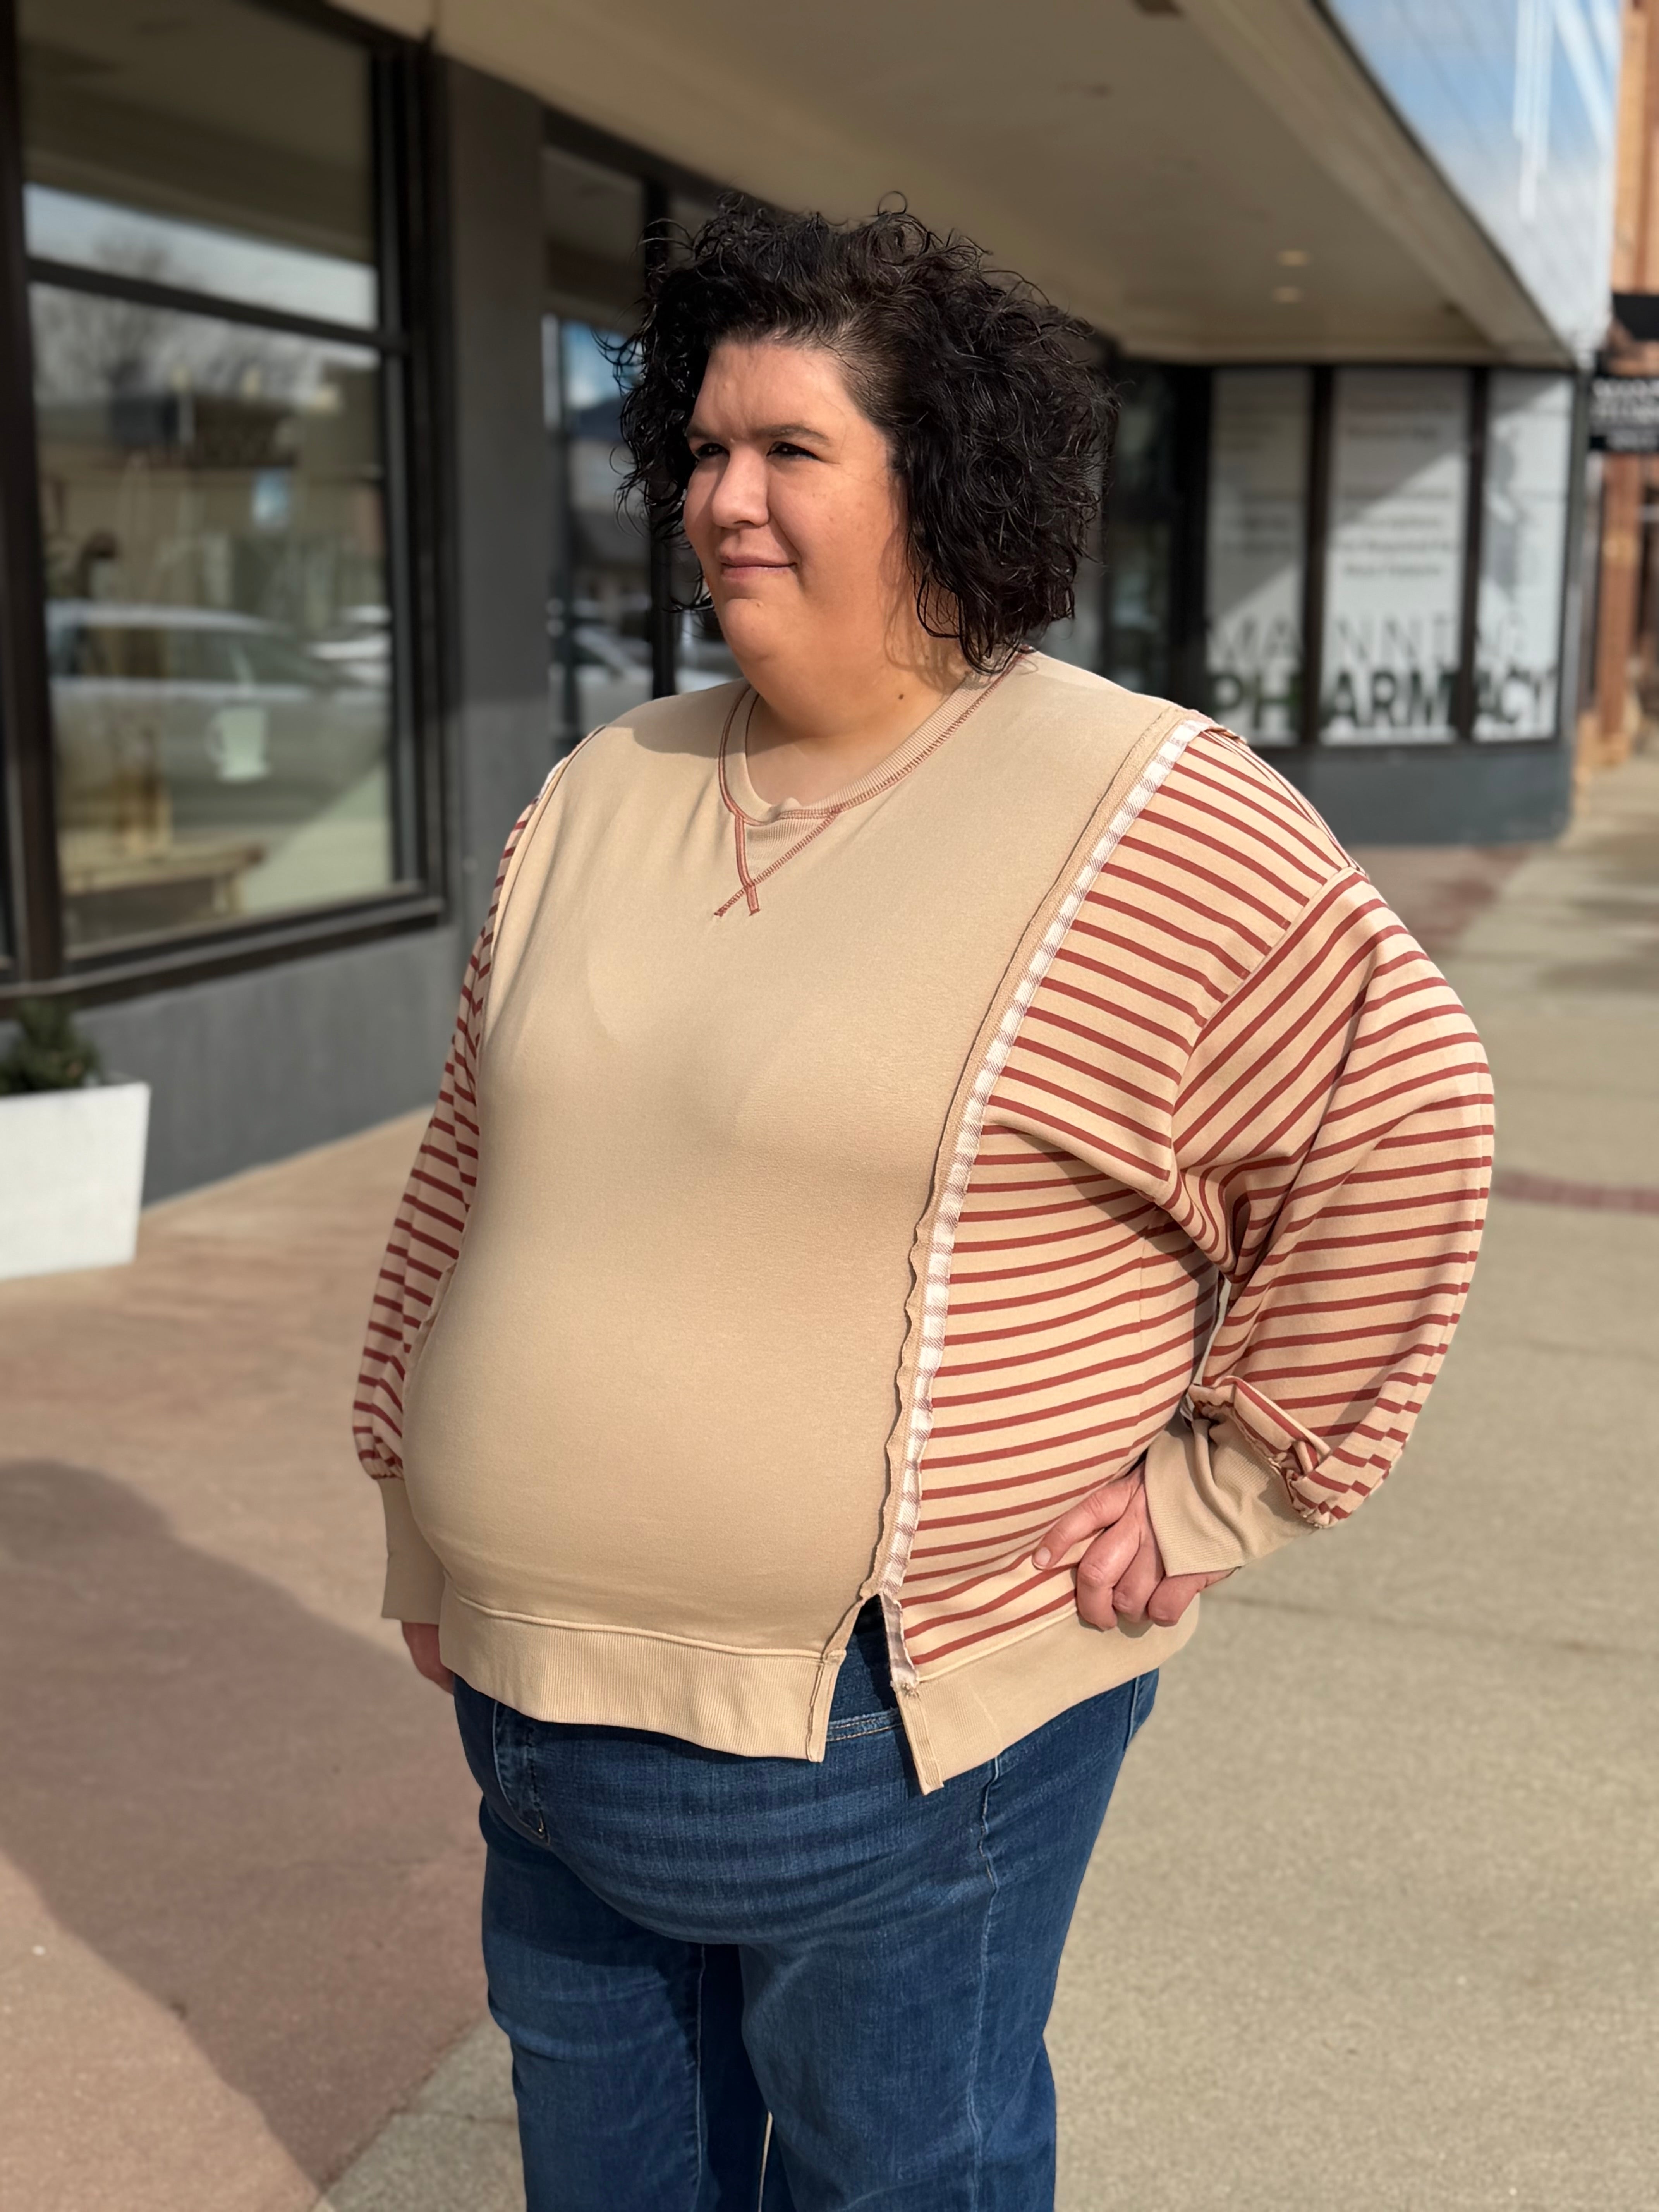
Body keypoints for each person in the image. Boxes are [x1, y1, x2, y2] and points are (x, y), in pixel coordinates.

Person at [353, 203, 1492, 2212]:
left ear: (943, 477)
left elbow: (1404, 1120)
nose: (725, 497)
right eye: (706, 447)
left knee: (900, 2173)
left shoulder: (1141, 810)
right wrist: (420, 1514)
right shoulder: (601, 789)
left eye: (792, 449)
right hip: (531, 1714)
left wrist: (1225, 1484)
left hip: (898, 1742)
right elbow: (471, 1174)